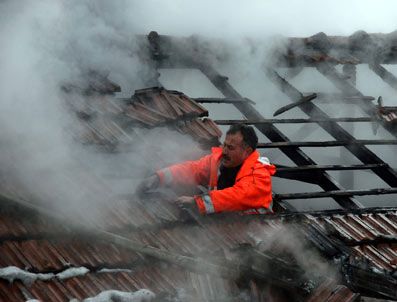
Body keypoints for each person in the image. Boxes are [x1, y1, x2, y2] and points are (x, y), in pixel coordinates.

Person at [136, 124, 276, 214]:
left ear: (247, 151)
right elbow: (193, 170)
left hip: (256, 233)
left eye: (231, 148)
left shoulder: (259, 175)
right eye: (224, 145)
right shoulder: (219, 161)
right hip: (225, 225)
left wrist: (198, 202)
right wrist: (160, 177)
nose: (225, 151)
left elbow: (237, 196)